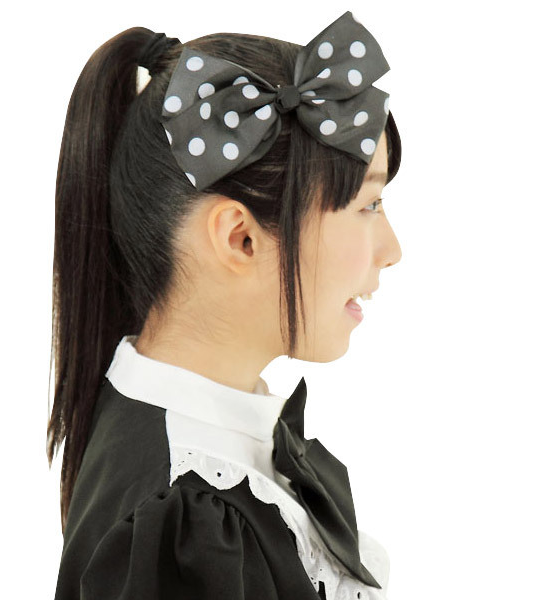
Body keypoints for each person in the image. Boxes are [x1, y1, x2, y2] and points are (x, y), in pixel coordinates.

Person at [48, 10, 402, 599]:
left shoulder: (216, 453)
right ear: (241, 238)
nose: (392, 251)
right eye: (368, 205)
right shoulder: (183, 524)